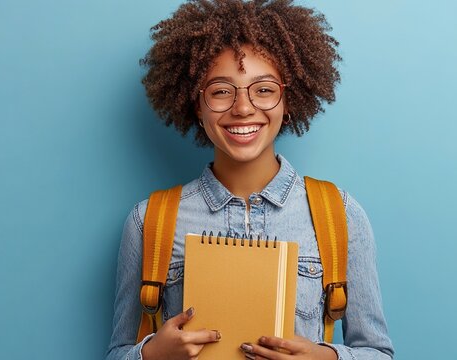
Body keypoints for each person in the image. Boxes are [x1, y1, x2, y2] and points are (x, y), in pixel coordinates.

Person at [106, 0, 394, 359]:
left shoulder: (341, 216)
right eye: (221, 91)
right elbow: (118, 352)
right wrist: (150, 354)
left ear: (287, 100)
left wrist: (325, 357)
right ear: (197, 105)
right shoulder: (149, 221)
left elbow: (378, 353)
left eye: (263, 89)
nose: (243, 108)